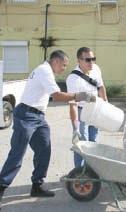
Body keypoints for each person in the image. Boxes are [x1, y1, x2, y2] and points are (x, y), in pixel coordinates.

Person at [0, 50, 95, 209]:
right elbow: (57, 96)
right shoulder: (45, 71)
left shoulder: (45, 70)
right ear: (56, 61)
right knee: (17, 154)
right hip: (26, 115)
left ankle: (37, 186)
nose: (64, 68)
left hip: (38, 117)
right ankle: (1, 187)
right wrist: (79, 96)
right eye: (64, 65)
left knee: (44, 150)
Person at [66, 47, 107, 167]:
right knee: (82, 144)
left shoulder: (96, 69)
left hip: (95, 111)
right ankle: (79, 173)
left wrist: (105, 105)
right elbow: (72, 104)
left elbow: (101, 86)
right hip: (81, 112)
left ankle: (90, 170)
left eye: (93, 59)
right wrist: (75, 128)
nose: (91, 63)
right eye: (88, 60)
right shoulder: (73, 79)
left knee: (93, 142)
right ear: (79, 61)